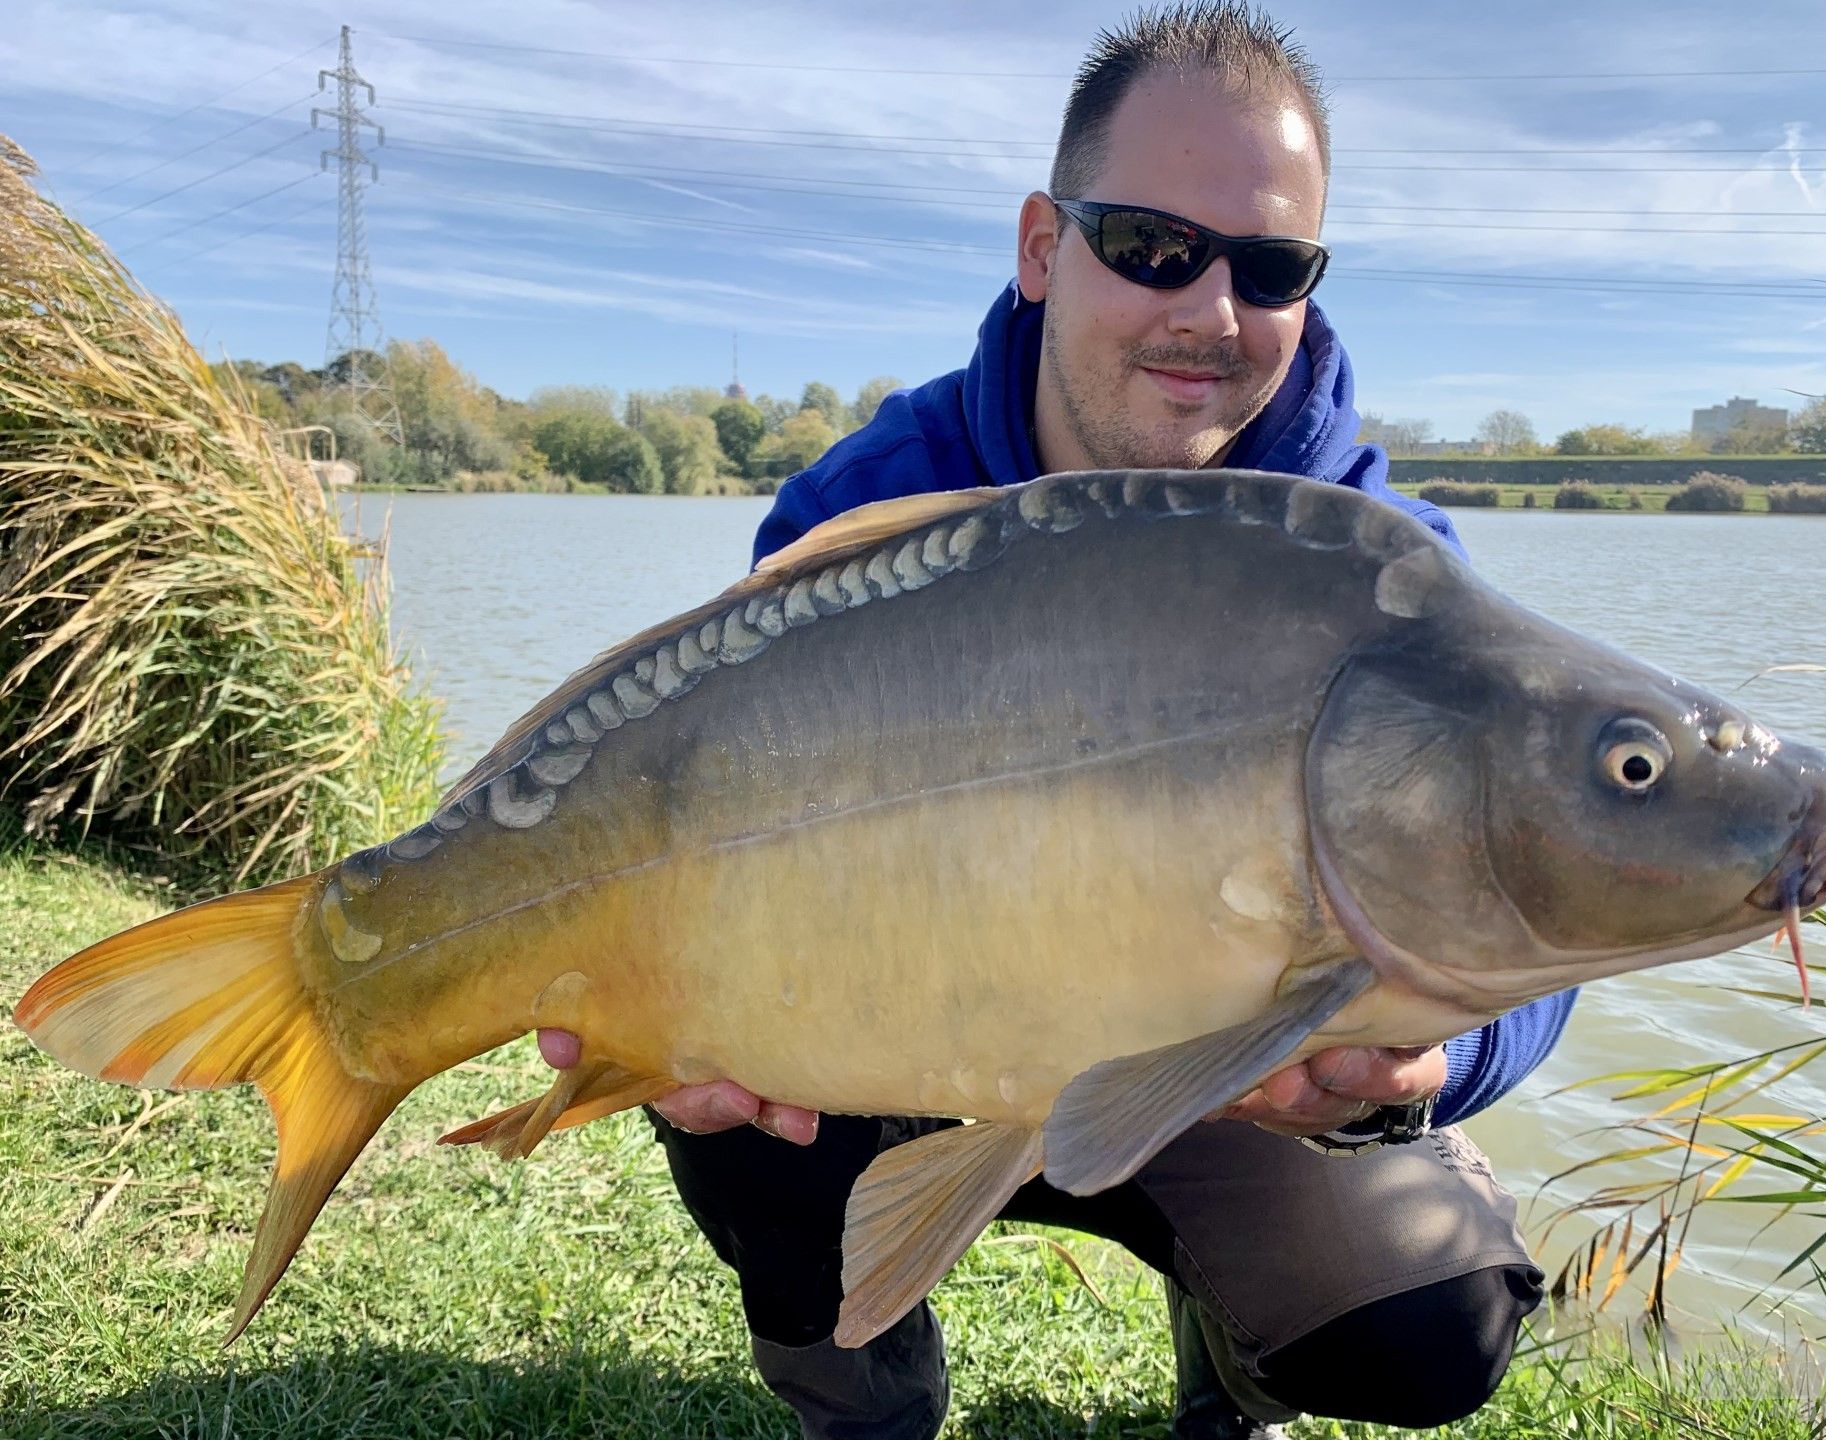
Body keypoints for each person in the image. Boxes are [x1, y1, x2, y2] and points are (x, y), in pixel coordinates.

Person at [539, 5, 1576, 1435]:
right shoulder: (864, 509)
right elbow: (695, 809)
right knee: (720, 1054)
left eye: (1269, 267)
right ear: (1043, 246)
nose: (1208, 310)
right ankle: (863, 1390)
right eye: (1153, 245)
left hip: (1212, 1090)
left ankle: (1238, 1374)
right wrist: (649, 1003)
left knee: (1425, 1319)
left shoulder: (1381, 574)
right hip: (899, 1047)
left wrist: (1441, 1060)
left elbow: (1546, 916)